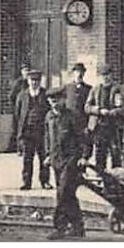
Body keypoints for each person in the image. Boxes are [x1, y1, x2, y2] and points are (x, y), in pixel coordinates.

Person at [48, 89, 89, 239]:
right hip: (56, 160)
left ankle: (59, 227)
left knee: (62, 193)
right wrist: (48, 155)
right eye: (51, 100)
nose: (54, 103)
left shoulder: (72, 117)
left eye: (57, 100)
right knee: (69, 194)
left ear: (64, 100)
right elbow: (48, 137)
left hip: (71, 160)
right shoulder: (49, 117)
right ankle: (78, 227)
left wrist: (84, 156)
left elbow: (84, 138)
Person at [13, 67, 53, 190]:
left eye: (37, 80)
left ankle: (45, 181)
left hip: (41, 131)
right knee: (27, 158)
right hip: (27, 131)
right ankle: (26, 182)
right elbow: (17, 114)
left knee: (43, 157)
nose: (34, 82)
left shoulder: (45, 94)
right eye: (32, 80)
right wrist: (19, 132)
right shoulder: (22, 95)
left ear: (40, 81)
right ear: (28, 81)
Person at [84, 65, 124, 170]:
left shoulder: (117, 89)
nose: (105, 77)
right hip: (99, 126)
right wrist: (98, 110)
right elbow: (87, 107)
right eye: (103, 75)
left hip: (113, 126)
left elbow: (122, 107)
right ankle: (101, 176)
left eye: (107, 75)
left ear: (111, 75)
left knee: (115, 152)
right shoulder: (95, 89)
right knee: (100, 153)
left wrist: (112, 112)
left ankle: (116, 178)